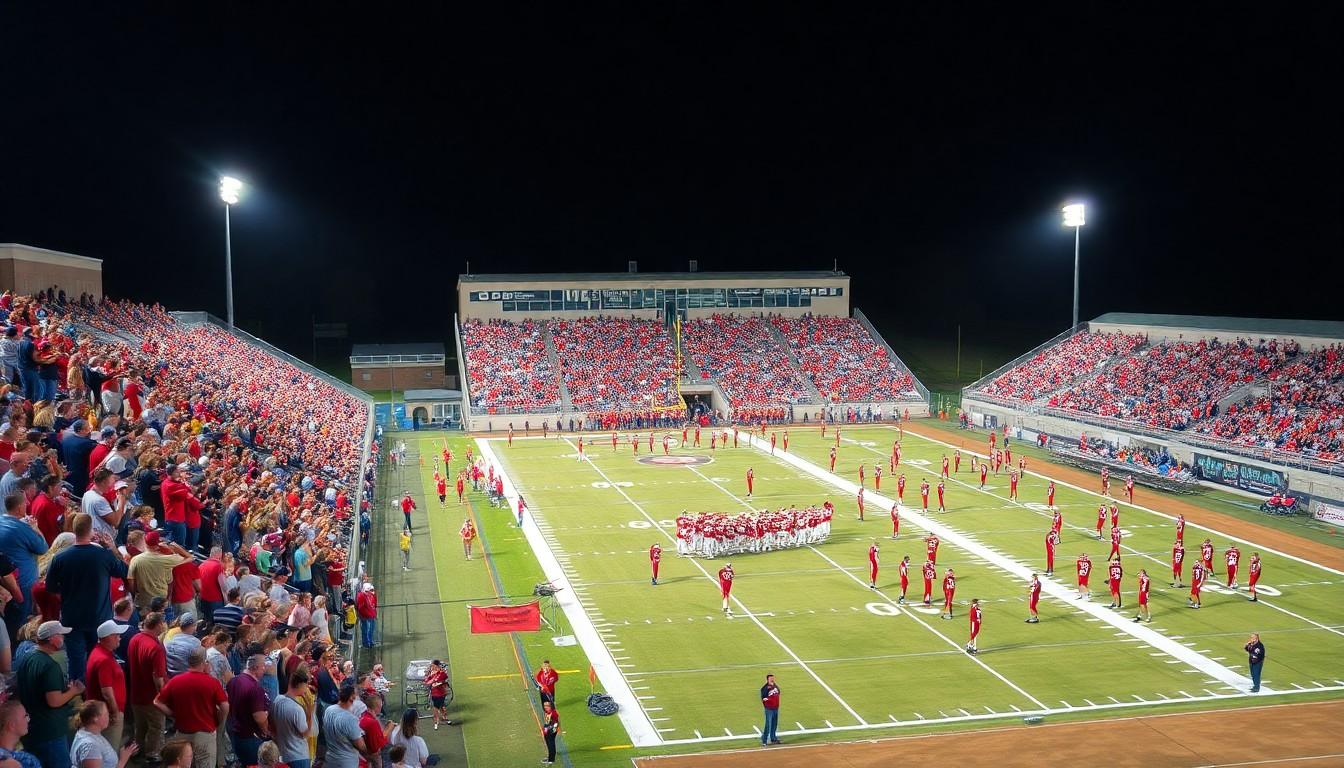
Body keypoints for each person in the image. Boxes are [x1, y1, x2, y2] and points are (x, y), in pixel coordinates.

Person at [45, 513, 128, 683]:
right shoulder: (103, 555)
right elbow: (123, 571)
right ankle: (96, 695)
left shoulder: (60, 558)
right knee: (98, 658)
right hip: (98, 618)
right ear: (90, 530)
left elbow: (51, 588)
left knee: (76, 662)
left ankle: (79, 696)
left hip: (72, 618)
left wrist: (69, 592)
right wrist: (110, 547)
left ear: (74, 531)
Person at [16, 621, 85, 768]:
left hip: (31, 729)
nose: (63, 639)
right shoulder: (50, 665)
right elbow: (53, 701)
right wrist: (74, 691)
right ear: (52, 638)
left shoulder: (27, 659)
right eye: (61, 635)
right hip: (50, 732)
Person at [154, 647, 228, 768]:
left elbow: (157, 702)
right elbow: (225, 706)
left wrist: (172, 715)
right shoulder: (212, 682)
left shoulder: (175, 681)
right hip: (205, 735)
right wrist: (220, 720)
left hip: (182, 735)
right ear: (204, 662)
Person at [84, 621, 130, 752]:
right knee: (110, 750)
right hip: (107, 713)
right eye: (117, 635)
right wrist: (114, 712)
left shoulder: (99, 652)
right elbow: (106, 692)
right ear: (108, 637)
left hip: (101, 710)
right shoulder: (104, 659)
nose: (119, 638)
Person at [128, 613, 168, 760]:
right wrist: (162, 697)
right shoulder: (156, 648)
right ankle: (152, 755)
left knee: (140, 727)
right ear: (158, 625)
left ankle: (137, 750)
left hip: (136, 694)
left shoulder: (134, 639)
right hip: (151, 697)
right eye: (163, 623)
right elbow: (157, 678)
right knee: (156, 728)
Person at [225, 655, 271, 768]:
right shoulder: (255, 688)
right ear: (255, 668)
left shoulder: (233, 681)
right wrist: (266, 731)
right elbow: (259, 717)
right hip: (251, 737)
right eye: (263, 667)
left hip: (236, 735)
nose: (264, 669)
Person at [69, 701, 137, 768]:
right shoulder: (91, 747)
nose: (109, 716)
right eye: (106, 714)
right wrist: (123, 760)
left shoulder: (89, 732)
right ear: (95, 718)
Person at [272, 669, 313, 768]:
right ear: (300, 684)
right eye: (306, 684)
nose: (307, 687)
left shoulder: (277, 700)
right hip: (299, 756)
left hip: (283, 755)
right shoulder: (297, 709)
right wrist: (310, 715)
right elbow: (306, 733)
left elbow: (272, 724)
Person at [321, 685, 367, 768]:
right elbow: (361, 746)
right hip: (346, 763)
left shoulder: (328, 710)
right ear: (352, 698)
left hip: (330, 760)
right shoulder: (350, 719)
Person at [0, 700, 43, 768]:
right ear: (12, 725)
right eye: (25, 716)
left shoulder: (27, 759)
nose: (28, 719)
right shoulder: (28, 760)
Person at [356, 693, 390, 768]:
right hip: (368, 760)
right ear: (378, 707)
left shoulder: (363, 715)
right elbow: (376, 748)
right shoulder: (372, 722)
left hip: (361, 757)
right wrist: (389, 729)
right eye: (381, 706)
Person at [424, 660, 452, 730]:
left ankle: (445, 719)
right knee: (436, 708)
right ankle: (436, 722)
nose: (431, 667)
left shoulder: (441, 672)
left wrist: (435, 681)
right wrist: (429, 677)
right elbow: (427, 682)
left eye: (433, 665)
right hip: (435, 693)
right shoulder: (431, 673)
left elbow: (442, 679)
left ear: (436, 665)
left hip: (442, 693)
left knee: (442, 707)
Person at [759, 674, 781, 745]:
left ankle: (773, 738)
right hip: (769, 709)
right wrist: (768, 704)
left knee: (774, 724)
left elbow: (778, 692)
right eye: (771, 678)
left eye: (773, 678)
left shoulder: (775, 686)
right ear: (767, 679)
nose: (772, 679)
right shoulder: (765, 688)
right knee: (768, 725)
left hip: (775, 708)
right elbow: (763, 699)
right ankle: (764, 740)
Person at [356, 583, 378, 649]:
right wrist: (364, 615)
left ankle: (370, 642)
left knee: (371, 629)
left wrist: (374, 613)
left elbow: (374, 604)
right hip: (365, 616)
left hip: (371, 615)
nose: (370, 591)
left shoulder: (372, 595)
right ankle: (366, 644)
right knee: (366, 630)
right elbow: (361, 607)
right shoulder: (361, 596)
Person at [539, 700, 559, 765]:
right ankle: (550, 757)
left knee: (551, 744)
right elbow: (547, 721)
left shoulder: (554, 713)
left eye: (547, 706)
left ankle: (551, 759)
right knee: (549, 743)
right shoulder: (548, 712)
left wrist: (549, 728)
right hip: (547, 730)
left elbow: (556, 723)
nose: (545, 707)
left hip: (551, 731)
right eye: (544, 705)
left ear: (551, 706)